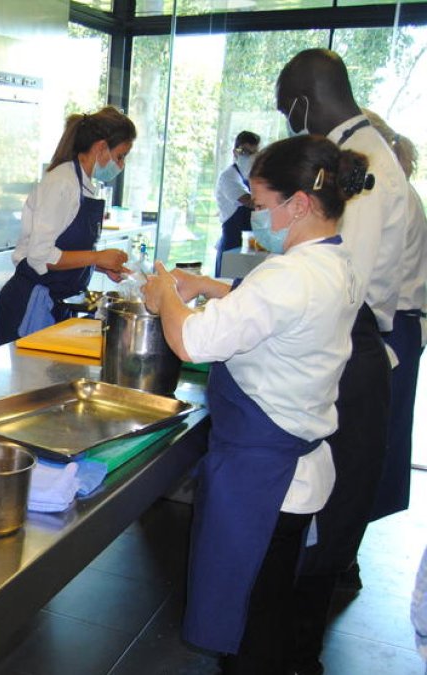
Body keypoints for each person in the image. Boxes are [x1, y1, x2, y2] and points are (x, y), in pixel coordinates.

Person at [142, 135, 369, 675]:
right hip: (297, 469)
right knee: (267, 606)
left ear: (299, 203)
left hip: (264, 479)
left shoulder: (289, 275)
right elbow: (278, 307)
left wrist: (167, 294)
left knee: (250, 624)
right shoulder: (336, 261)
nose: (257, 217)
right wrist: (208, 285)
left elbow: (191, 341)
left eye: (263, 205)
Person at [276, 48, 413, 675]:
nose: (289, 122)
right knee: (334, 499)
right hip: (356, 337)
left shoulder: (363, 168)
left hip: (358, 346)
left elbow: (337, 282)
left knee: (333, 508)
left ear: (304, 103)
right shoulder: (365, 152)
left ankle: (298, 650)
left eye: (288, 110)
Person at [0, 106, 134, 346]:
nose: (121, 165)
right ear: (101, 147)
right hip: (29, 306)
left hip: (55, 305)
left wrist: (100, 265)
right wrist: (97, 257)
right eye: (120, 156)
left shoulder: (82, 185)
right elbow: (40, 255)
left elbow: (63, 251)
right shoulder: (62, 183)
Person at [363, 109, 425, 524]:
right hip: (400, 323)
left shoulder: (388, 194)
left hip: (392, 326)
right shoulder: (401, 191)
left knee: (374, 440)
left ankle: (344, 545)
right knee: (380, 436)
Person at [214, 130, 261, 276]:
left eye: (254, 153)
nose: (250, 157)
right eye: (245, 152)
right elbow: (249, 201)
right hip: (233, 245)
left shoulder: (254, 178)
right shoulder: (229, 177)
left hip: (252, 245)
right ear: (235, 152)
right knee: (229, 287)